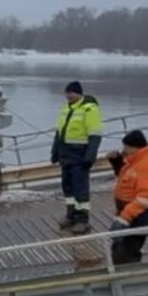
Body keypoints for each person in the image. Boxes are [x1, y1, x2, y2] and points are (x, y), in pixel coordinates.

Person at [51, 80, 103, 233]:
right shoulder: (66, 108)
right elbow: (59, 133)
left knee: (80, 189)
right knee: (67, 187)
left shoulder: (89, 109)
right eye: (67, 93)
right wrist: (54, 152)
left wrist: (90, 156)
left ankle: (82, 219)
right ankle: (71, 215)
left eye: (71, 93)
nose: (68, 96)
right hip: (65, 154)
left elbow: (95, 135)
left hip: (80, 155)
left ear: (78, 93)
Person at [106, 129, 148, 265]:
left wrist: (124, 219)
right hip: (129, 212)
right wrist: (117, 162)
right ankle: (125, 269)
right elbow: (127, 177)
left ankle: (128, 274)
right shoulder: (136, 159)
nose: (123, 150)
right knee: (120, 248)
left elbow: (145, 198)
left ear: (134, 147)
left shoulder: (147, 165)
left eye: (126, 147)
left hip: (138, 215)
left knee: (126, 252)